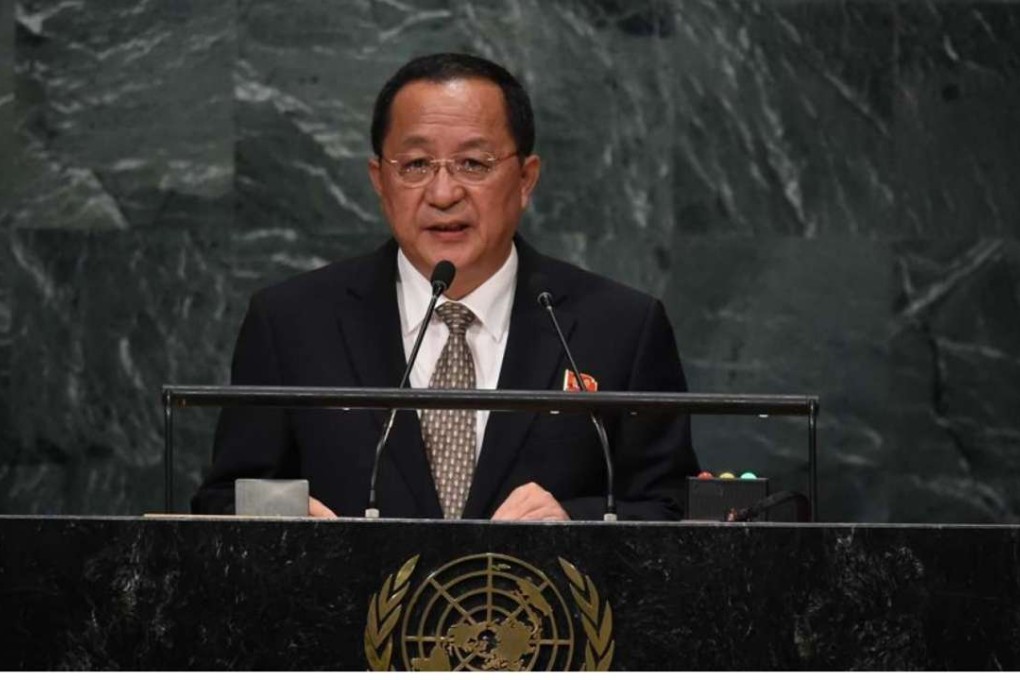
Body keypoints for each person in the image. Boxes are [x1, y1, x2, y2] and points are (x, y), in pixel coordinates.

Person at [191, 53, 698, 521]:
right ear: (378, 181)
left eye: (473, 164)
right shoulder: (292, 323)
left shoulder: (620, 327)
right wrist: (283, 515)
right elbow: (221, 499)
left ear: (525, 179)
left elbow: (673, 505)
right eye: (415, 166)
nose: (443, 193)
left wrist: (576, 521)